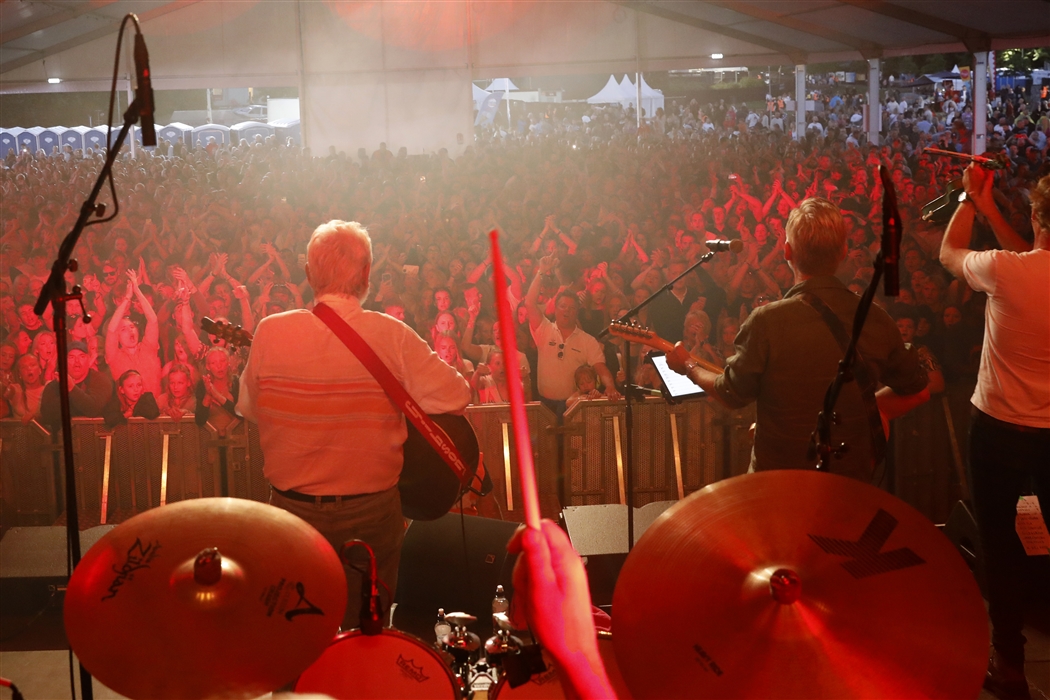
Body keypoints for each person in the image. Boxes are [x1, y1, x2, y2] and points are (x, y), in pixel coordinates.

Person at [237, 220, 471, 631]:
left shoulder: (271, 332)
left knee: (295, 632)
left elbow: (252, 409)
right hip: (371, 516)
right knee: (366, 634)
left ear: (309, 276)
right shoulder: (391, 335)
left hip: (291, 515)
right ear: (366, 276)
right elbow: (456, 395)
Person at [666, 197, 930, 483]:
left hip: (780, 483)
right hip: (850, 483)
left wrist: (688, 366)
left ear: (787, 251)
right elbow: (917, 388)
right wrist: (869, 411)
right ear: (843, 251)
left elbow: (731, 393)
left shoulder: (766, 321)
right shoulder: (874, 318)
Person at [939, 165, 1050, 700]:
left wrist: (967, 198)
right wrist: (991, 210)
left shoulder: (1007, 272)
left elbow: (949, 253)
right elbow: (1033, 255)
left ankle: (1008, 663)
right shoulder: (1020, 265)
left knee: (1000, 545)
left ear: (1035, 216)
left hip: (1000, 426)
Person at [526, 254, 620, 414]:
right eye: (562, 306)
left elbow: (600, 367)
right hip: (545, 405)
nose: (566, 311)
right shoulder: (544, 329)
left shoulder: (587, 340)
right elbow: (529, 302)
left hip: (575, 406)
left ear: (577, 312)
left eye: (571, 308)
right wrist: (541, 271)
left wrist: (610, 386)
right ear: (555, 309)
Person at [40, 340, 117, 427]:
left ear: (88, 359)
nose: (77, 361)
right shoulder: (53, 386)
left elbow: (93, 409)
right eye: (71, 357)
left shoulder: (101, 380)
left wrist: (71, 388)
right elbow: (48, 416)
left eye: (82, 356)